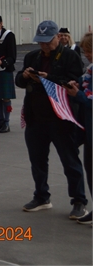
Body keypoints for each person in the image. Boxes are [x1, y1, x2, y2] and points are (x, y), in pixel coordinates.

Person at [15, 20, 88, 219]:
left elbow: (74, 82)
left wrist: (50, 77)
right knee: (37, 161)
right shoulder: (32, 56)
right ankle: (41, 196)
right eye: (41, 42)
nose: (44, 46)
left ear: (58, 37)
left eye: (48, 41)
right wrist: (26, 75)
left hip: (61, 118)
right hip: (36, 117)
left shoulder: (70, 56)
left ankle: (79, 200)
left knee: (70, 161)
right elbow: (18, 80)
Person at [65, 32, 92, 225]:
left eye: (90, 50)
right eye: (85, 51)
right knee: (89, 168)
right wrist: (78, 88)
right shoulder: (89, 70)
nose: (87, 54)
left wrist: (80, 95)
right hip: (88, 126)